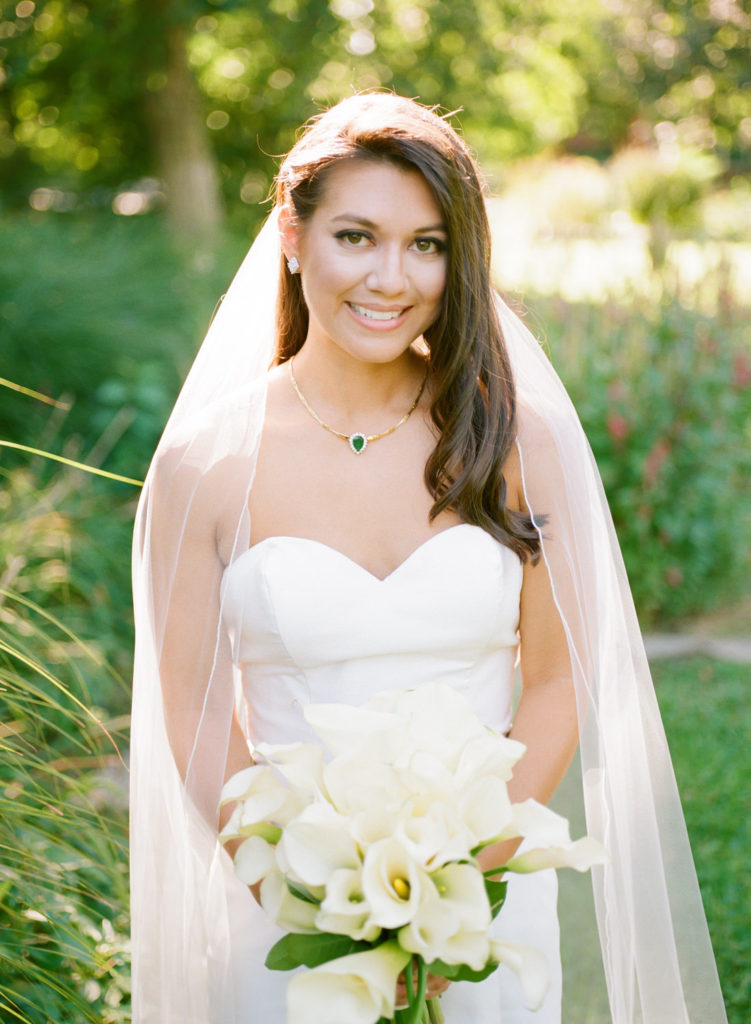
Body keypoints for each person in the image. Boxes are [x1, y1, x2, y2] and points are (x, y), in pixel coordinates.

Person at [130, 94, 727, 1023]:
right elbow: (195, 711)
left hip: (482, 894)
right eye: (357, 236)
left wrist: (456, 887)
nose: (390, 277)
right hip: (284, 905)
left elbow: (558, 682)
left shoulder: (513, 439)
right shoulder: (205, 464)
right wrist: (311, 903)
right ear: (293, 233)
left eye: (428, 244)